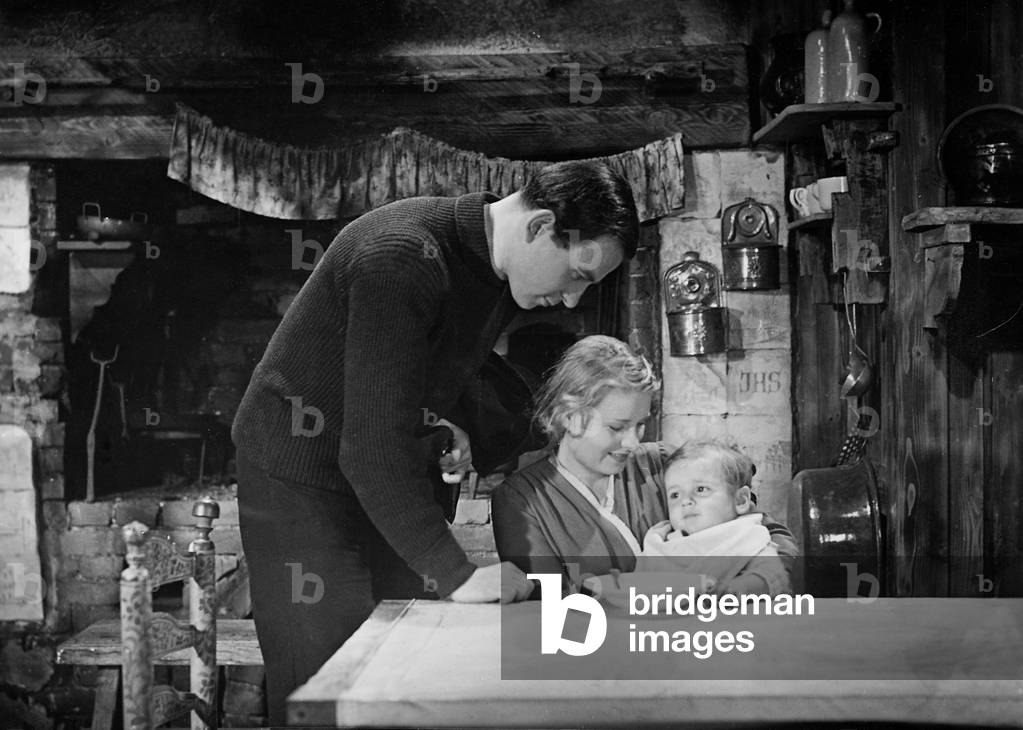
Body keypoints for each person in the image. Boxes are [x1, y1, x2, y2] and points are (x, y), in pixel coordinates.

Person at [232, 161, 640, 723]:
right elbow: (369, 451)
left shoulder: (495, 267)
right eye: (577, 276)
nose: (572, 301)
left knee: (405, 664)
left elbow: (411, 375)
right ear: (539, 225)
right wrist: (460, 575)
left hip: (368, 464)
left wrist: (451, 424)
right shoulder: (401, 257)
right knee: (330, 689)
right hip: (299, 477)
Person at [491, 335, 798, 596]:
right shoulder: (521, 501)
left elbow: (771, 536)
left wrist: (750, 585)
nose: (632, 443)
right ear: (569, 416)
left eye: (640, 425)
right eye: (617, 427)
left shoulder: (663, 463)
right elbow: (550, 604)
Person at [637, 441, 792, 596]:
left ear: (741, 500)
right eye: (675, 495)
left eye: (700, 489)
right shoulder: (660, 543)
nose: (685, 501)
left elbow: (772, 575)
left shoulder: (745, 537)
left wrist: (739, 588)